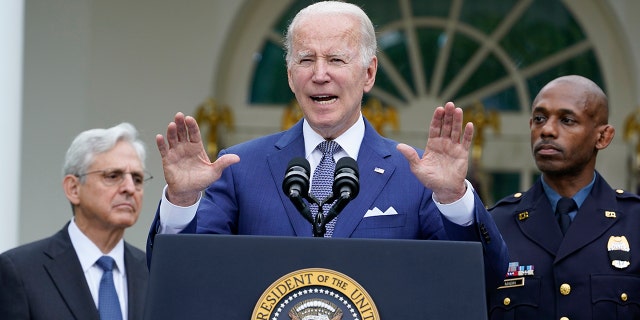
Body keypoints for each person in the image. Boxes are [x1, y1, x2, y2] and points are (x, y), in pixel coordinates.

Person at [147, 0, 508, 288]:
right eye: (306, 60)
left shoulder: (415, 175)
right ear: (290, 76)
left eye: (336, 59)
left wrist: (453, 199)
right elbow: (183, 278)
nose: (320, 75)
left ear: (368, 73)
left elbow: (482, 280)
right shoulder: (240, 167)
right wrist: (181, 203)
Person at [488, 75, 640, 319]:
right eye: (539, 118)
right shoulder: (497, 225)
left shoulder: (634, 222)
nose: (547, 129)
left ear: (602, 137)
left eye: (567, 120)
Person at [0, 123, 150, 320]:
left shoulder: (152, 272)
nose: (130, 188)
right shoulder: (20, 271)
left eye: (137, 179)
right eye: (113, 176)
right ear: (73, 188)